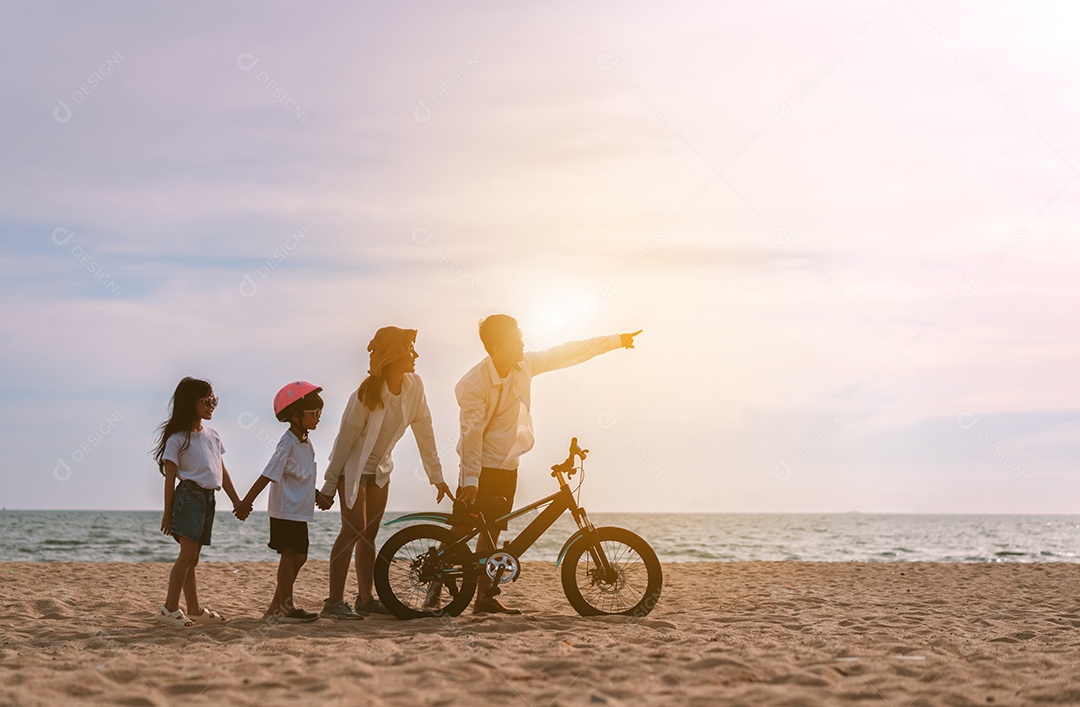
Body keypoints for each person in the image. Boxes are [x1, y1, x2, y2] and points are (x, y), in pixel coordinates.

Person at [453, 315, 641, 613]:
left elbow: (564, 353)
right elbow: (470, 437)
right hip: (480, 466)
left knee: (493, 533)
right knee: (461, 532)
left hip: (508, 466)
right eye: (515, 340)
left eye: (520, 338)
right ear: (496, 348)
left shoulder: (524, 365)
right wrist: (471, 482)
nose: (522, 343)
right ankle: (433, 592)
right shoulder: (473, 384)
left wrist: (614, 341)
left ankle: (484, 600)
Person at [318, 326, 452, 620]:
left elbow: (425, 430)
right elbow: (343, 443)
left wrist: (437, 476)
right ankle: (334, 601)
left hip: (380, 471)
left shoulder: (415, 387)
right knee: (352, 530)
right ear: (393, 357)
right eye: (410, 350)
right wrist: (329, 485)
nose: (416, 355)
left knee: (369, 534)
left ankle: (365, 600)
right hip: (352, 471)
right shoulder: (365, 395)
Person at [152, 377, 243, 627]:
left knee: (193, 558)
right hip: (189, 496)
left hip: (208, 498)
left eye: (214, 400)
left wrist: (236, 501)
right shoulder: (178, 439)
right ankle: (169, 608)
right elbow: (169, 479)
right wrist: (167, 513)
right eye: (207, 400)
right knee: (187, 554)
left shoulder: (213, 435)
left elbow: (222, 472)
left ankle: (193, 608)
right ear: (190, 402)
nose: (212, 405)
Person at [234, 381, 326, 623]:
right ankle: (286, 607)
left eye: (320, 413)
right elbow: (268, 474)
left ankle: (276, 607)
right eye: (314, 413)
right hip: (285, 510)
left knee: (300, 556)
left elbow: (303, 476)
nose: (318, 418)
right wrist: (246, 503)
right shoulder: (287, 443)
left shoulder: (305, 442)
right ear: (296, 416)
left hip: (299, 510)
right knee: (289, 555)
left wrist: (317, 495)